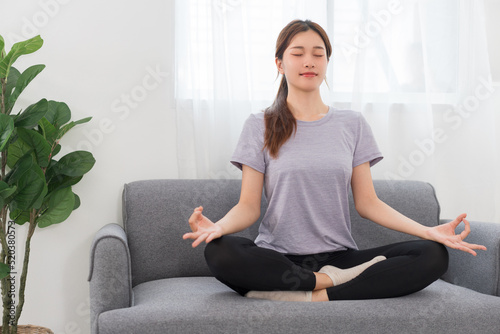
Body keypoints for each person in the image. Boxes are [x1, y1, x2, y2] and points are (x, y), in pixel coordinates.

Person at [183, 19, 487, 302]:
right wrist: (218, 228)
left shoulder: (352, 124)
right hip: (278, 256)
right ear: (280, 63)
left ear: (326, 62)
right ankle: (323, 282)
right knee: (220, 252)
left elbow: (368, 203)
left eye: (318, 54)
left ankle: (305, 293)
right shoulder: (259, 124)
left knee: (432, 255)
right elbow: (248, 207)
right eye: (298, 53)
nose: (309, 61)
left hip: (340, 257)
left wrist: (428, 230)